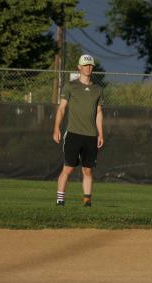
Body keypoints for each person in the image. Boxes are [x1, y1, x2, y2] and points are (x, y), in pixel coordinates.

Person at [53, 54, 104, 207]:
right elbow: (61, 109)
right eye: (85, 65)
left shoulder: (98, 90)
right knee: (67, 169)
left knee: (87, 171)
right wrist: (56, 127)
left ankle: (87, 202)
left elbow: (99, 112)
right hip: (73, 134)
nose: (88, 68)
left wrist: (100, 133)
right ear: (79, 67)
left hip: (91, 135)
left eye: (90, 66)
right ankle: (60, 201)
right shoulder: (70, 86)